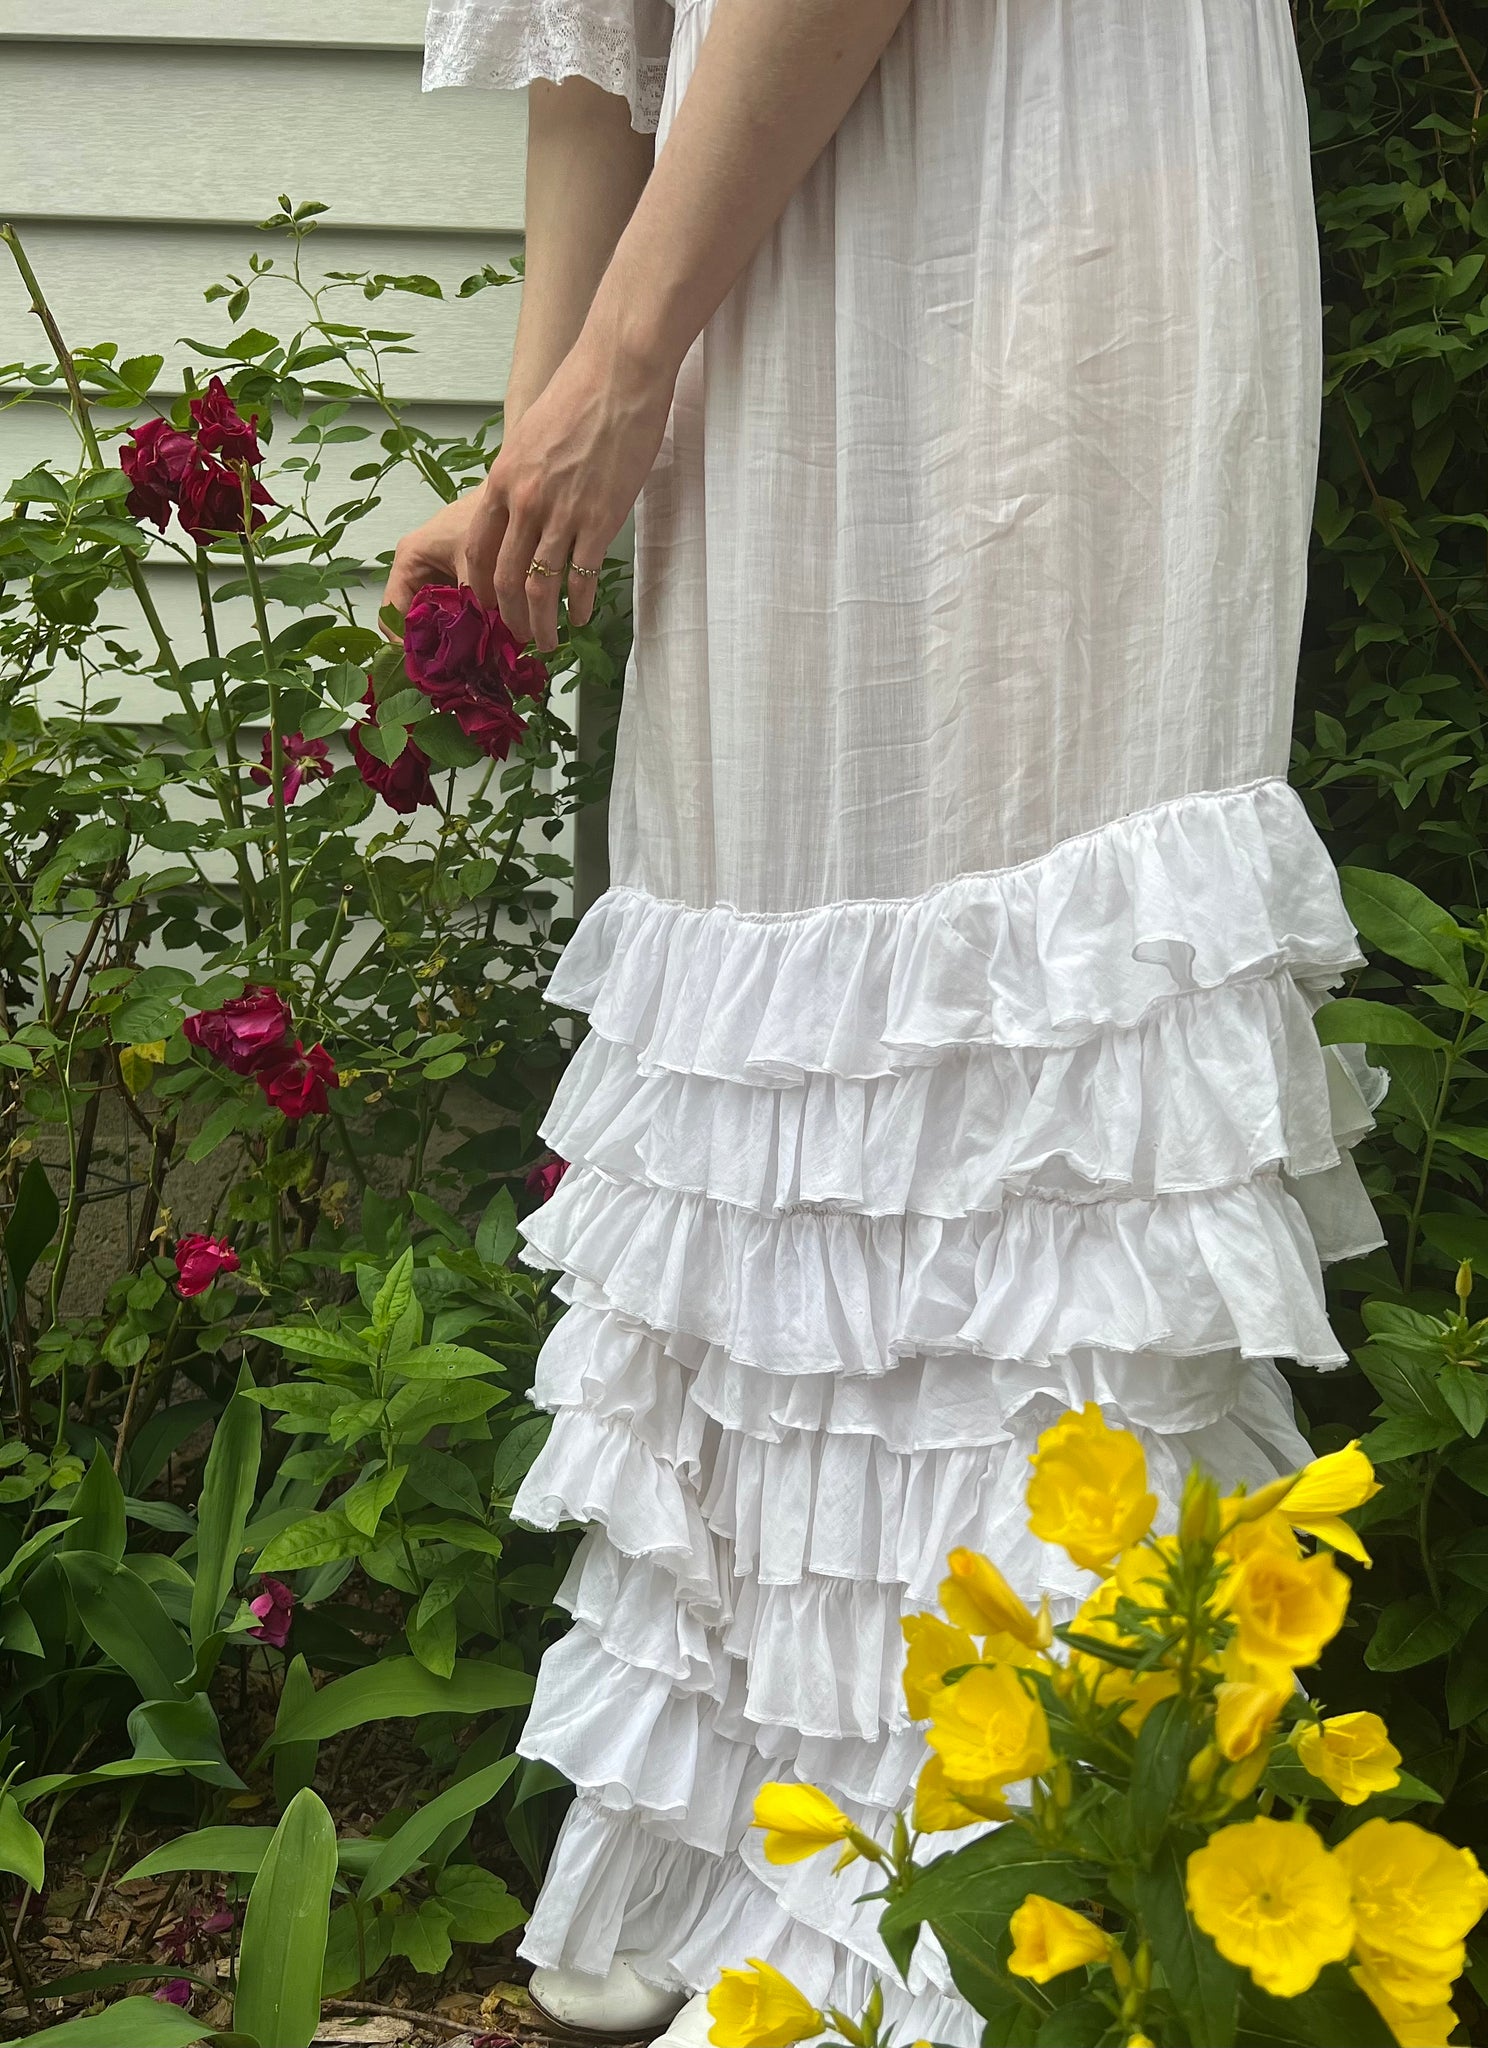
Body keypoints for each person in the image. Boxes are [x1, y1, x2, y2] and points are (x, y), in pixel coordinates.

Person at [390, 3, 1383, 2042]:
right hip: (738, 231)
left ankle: (976, 1884)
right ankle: (743, 1836)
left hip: (1034, 151)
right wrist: (551, 415)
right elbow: (605, 35)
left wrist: (626, 358)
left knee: (1025, 988)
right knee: (774, 958)